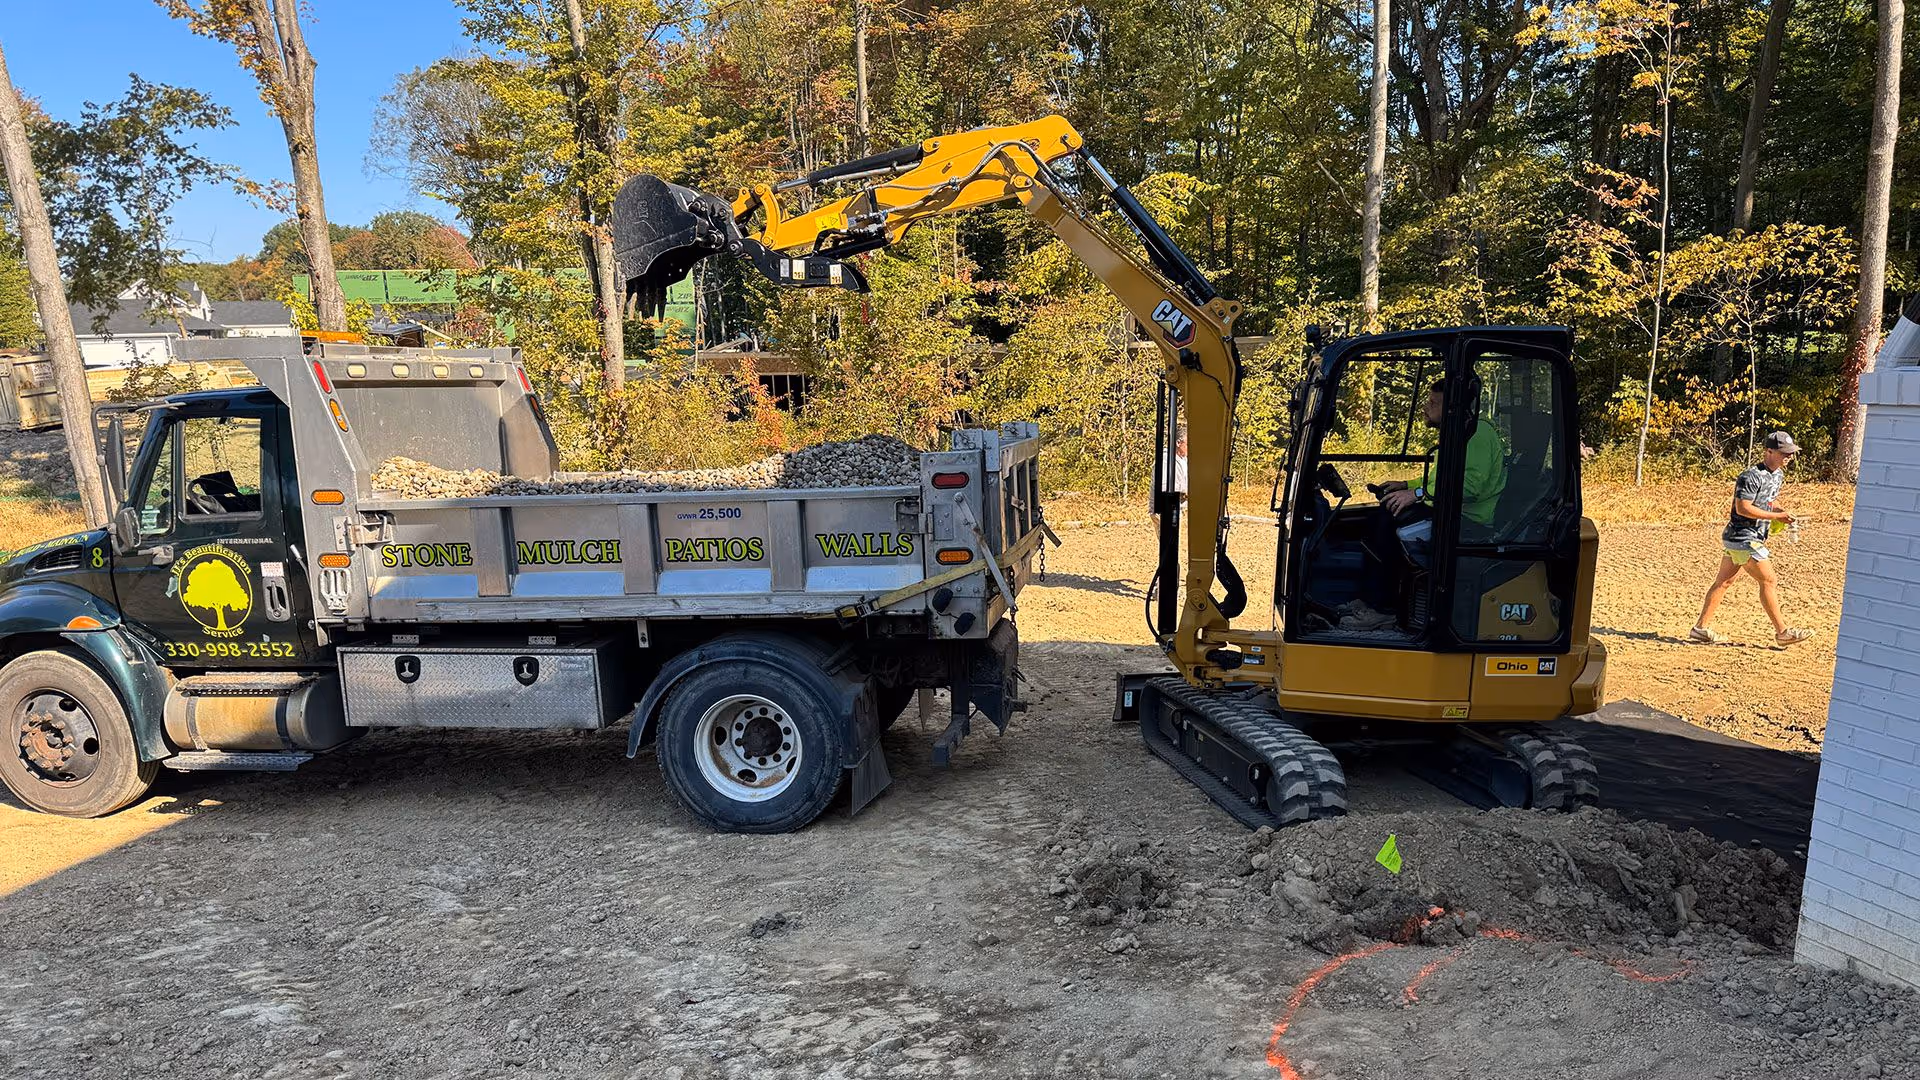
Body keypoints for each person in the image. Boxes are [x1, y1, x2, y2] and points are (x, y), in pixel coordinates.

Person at [1691, 431, 1811, 646]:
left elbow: (1766, 502)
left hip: (1745, 538)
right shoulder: (1750, 476)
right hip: (1743, 537)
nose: (1789, 457)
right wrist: (1777, 516)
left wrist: (1782, 513)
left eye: (1791, 453)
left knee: (1724, 582)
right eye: (1784, 453)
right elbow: (1743, 508)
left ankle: (1700, 629)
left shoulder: (1778, 476)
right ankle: (1782, 632)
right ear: (1768, 451)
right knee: (1768, 580)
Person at [1374, 378, 1507, 559]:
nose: (1425, 407)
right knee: (1384, 513)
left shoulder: (1476, 434)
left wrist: (1418, 494)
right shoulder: (1458, 432)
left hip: (1469, 519)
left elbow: (1469, 488)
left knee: (1386, 523)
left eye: (1433, 403)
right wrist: (1406, 485)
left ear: (1453, 407)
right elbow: (1440, 480)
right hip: (1450, 508)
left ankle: (1386, 584)